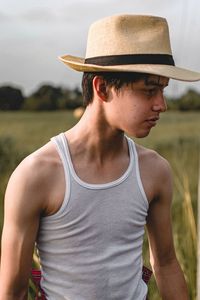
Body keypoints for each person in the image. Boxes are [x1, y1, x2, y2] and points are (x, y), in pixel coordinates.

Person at [0, 14, 200, 300]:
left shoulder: (155, 170)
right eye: (149, 90)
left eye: (163, 90)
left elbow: (166, 264)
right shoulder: (36, 175)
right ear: (102, 88)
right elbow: (13, 291)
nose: (162, 104)